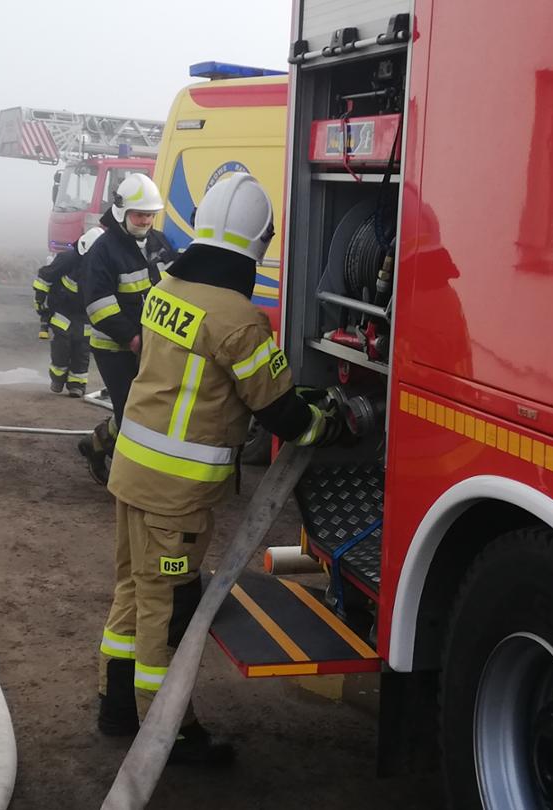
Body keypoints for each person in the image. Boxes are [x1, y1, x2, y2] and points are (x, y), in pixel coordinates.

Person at [93, 174, 348, 764]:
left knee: (134, 589)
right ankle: (170, 735)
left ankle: (116, 706)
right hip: (176, 494)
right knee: (168, 608)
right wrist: (329, 424)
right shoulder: (238, 318)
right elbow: (280, 410)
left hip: (132, 472)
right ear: (258, 244)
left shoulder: (167, 286)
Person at [77, 173, 178, 484]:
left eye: (150, 214)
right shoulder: (104, 251)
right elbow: (99, 305)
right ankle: (128, 481)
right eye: (140, 214)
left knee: (148, 408)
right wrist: (132, 338)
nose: (146, 220)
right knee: (131, 411)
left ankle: (96, 442)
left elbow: (176, 286)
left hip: (153, 342)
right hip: (115, 346)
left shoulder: (158, 242)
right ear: (121, 212)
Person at [37, 227, 102, 397]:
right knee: (62, 345)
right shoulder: (68, 259)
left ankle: (77, 385)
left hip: (85, 312)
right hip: (63, 308)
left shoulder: (102, 264)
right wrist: (40, 302)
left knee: (82, 348)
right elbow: (44, 277)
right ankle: (58, 379)